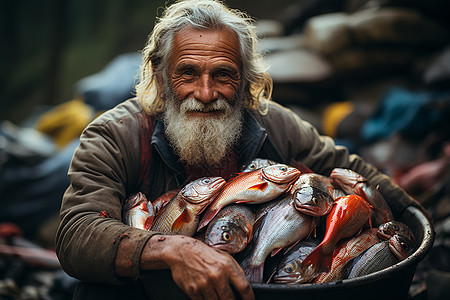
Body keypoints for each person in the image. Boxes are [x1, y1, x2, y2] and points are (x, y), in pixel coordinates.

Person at [55, 0, 425, 299]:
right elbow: (77, 234)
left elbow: (346, 166)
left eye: (223, 74)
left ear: (246, 79)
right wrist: (174, 250)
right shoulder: (114, 136)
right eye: (187, 73)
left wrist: (412, 214)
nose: (205, 93)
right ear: (160, 75)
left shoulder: (275, 124)